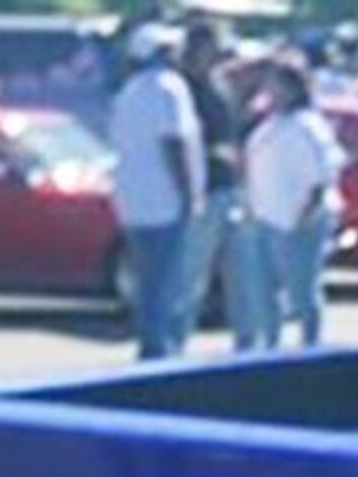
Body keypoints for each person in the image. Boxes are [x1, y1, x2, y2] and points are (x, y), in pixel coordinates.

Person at [106, 22, 208, 360]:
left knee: (148, 282)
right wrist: (190, 192)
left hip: (134, 201)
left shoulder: (127, 91)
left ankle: (152, 345)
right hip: (166, 201)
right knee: (167, 283)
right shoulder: (169, 87)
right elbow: (173, 142)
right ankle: (159, 352)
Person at [234, 58, 341, 352]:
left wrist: (305, 215)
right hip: (263, 217)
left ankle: (311, 345)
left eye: (276, 84)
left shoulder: (309, 125)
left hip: (298, 220)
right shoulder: (267, 125)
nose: (270, 90)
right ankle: (270, 347)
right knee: (264, 293)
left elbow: (321, 176)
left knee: (302, 292)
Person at [176, 22, 246, 349]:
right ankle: (176, 343)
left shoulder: (219, 85)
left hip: (231, 188)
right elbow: (179, 140)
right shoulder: (182, 89)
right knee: (192, 276)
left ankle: (247, 346)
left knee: (242, 274)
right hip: (205, 190)